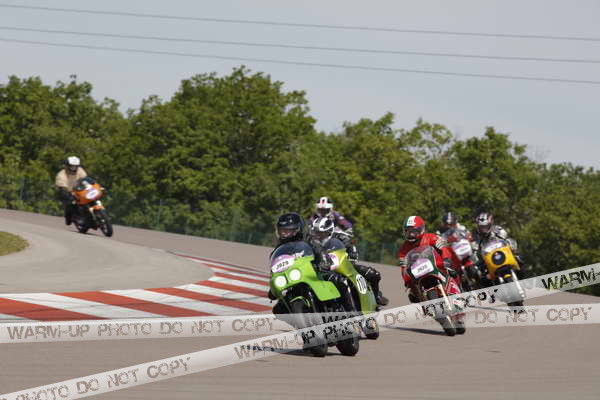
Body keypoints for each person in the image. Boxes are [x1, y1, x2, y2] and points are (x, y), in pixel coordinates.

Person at [308, 217, 388, 306]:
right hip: (321, 269)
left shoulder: (339, 235)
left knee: (372, 274)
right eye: (316, 232)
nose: (318, 235)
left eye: (321, 233)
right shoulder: (309, 240)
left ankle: (376, 296)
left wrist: (353, 253)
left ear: (329, 231)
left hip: (342, 264)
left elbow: (350, 245)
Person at [397, 215, 461, 303]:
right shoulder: (403, 249)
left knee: (453, 273)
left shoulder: (431, 237)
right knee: (412, 295)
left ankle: (460, 294)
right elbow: (403, 267)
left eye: (413, 231)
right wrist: (407, 280)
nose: (411, 234)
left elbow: (443, 248)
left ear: (421, 230)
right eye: (408, 231)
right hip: (417, 273)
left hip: (437, 266)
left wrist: (446, 259)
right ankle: (426, 305)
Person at [472, 212, 526, 279]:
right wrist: (477, 261)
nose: (484, 229)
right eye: (481, 227)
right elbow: (475, 250)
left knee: (519, 259)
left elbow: (506, 238)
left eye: (486, 226)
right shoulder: (476, 236)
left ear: (490, 224)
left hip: (503, 255)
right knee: (482, 276)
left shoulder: (497, 229)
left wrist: (511, 245)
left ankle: (523, 279)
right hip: (489, 261)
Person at [307, 196, 359, 261]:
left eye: (325, 210)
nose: (322, 212)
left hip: (333, 234)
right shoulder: (314, 216)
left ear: (330, 209)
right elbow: (309, 227)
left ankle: (352, 252)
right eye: (320, 210)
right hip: (318, 236)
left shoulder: (335, 214)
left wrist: (347, 232)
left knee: (344, 238)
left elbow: (347, 225)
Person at [55, 156, 87, 225]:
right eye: (71, 166)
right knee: (71, 202)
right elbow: (62, 188)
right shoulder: (61, 175)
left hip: (79, 190)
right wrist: (68, 193)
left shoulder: (80, 170)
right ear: (67, 165)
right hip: (67, 192)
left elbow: (85, 179)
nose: (73, 168)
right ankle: (70, 217)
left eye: (75, 166)